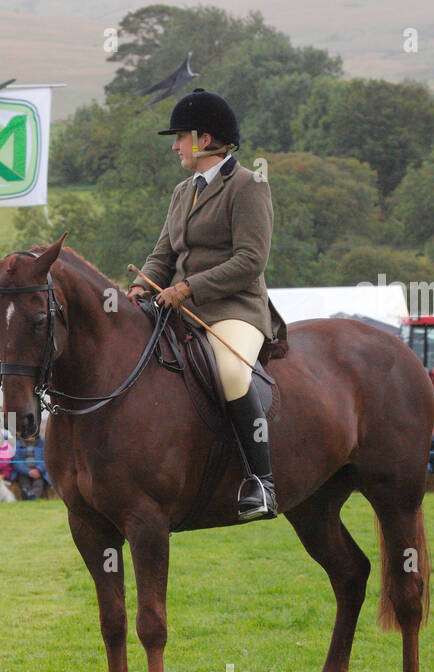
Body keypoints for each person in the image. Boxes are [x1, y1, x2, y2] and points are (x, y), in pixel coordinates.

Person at [126, 88, 285, 521]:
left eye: (180, 136)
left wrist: (189, 287)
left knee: (232, 371)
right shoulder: (183, 191)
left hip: (235, 309)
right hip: (179, 308)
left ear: (205, 138)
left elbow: (251, 261)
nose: (175, 145)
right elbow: (163, 255)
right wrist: (141, 286)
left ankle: (262, 483)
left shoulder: (249, 186)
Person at [11, 433, 49, 500]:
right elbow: (16, 462)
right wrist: (28, 471)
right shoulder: (18, 444)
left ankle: (32, 496)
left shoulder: (43, 444)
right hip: (24, 472)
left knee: (39, 483)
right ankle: (27, 494)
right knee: (24, 482)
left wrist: (39, 470)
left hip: (39, 472)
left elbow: (47, 460)